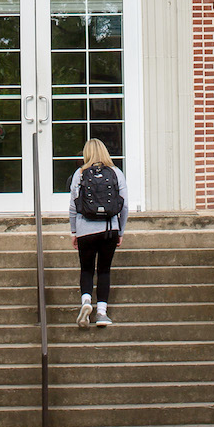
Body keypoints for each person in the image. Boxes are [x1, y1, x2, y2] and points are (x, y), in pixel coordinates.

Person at [69, 139, 128, 329]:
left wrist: (74, 231)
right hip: (109, 229)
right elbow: (124, 206)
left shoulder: (79, 174)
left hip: (85, 230)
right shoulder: (116, 173)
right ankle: (102, 313)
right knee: (104, 270)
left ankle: (86, 301)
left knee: (86, 269)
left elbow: (73, 206)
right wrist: (120, 231)